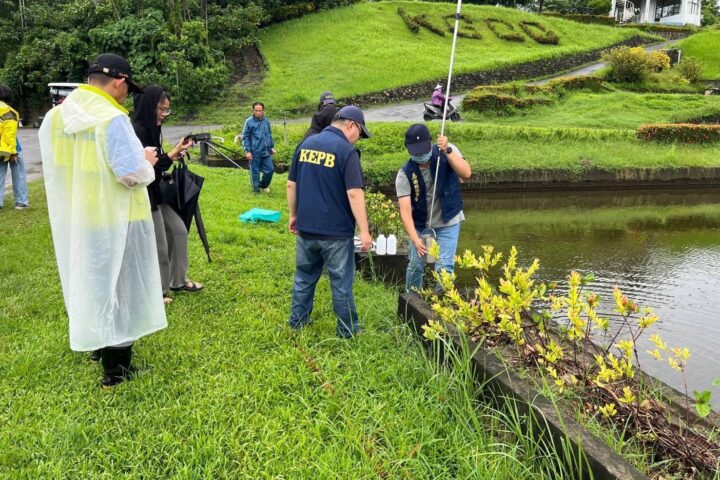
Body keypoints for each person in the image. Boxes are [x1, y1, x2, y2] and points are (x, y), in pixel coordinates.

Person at [39, 53, 167, 388]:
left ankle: (97, 345)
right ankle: (116, 371)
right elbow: (130, 173)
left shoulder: (58, 116)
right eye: (129, 88)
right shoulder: (112, 118)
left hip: (82, 215)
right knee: (122, 291)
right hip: (118, 216)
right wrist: (147, 160)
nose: (128, 96)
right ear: (119, 82)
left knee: (96, 282)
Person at [287, 105, 372, 338]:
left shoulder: (305, 145)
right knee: (341, 282)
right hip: (336, 233)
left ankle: (297, 322)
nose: (359, 140)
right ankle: (347, 330)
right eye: (360, 134)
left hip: (306, 229)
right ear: (351, 125)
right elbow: (354, 193)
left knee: (304, 276)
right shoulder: (347, 152)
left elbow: (291, 184)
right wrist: (364, 231)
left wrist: (293, 215)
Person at [131, 85, 201, 304]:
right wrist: (170, 155)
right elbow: (144, 168)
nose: (164, 114)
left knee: (179, 231)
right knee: (160, 245)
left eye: (167, 110)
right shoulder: (137, 131)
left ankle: (178, 280)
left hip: (157, 191)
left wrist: (173, 154)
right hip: (145, 195)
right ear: (148, 106)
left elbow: (157, 162)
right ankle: (159, 293)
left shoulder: (153, 128)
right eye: (160, 109)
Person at [395, 123, 471, 293]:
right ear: (408, 150)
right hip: (422, 226)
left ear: (431, 143)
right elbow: (405, 211)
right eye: (416, 153)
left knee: (444, 267)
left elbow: (466, 174)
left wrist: (447, 152)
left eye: (424, 150)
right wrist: (415, 238)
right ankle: (412, 302)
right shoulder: (404, 174)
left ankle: (442, 308)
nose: (421, 155)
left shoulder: (448, 150)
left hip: (448, 221)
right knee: (415, 266)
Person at [0, 84, 29, 210]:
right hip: (10, 149)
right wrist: (13, 152)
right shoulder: (9, 112)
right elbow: (10, 134)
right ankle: (21, 201)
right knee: (19, 174)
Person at [241, 102, 276, 194]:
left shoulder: (266, 121)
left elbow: (269, 135)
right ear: (253, 110)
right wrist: (247, 151)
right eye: (256, 110)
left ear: (263, 110)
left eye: (260, 110)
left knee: (270, 170)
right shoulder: (249, 122)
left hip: (266, 151)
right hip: (254, 151)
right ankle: (256, 191)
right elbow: (245, 137)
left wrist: (271, 147)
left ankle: (263, 185)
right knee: (255, 172)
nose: (258, 112)